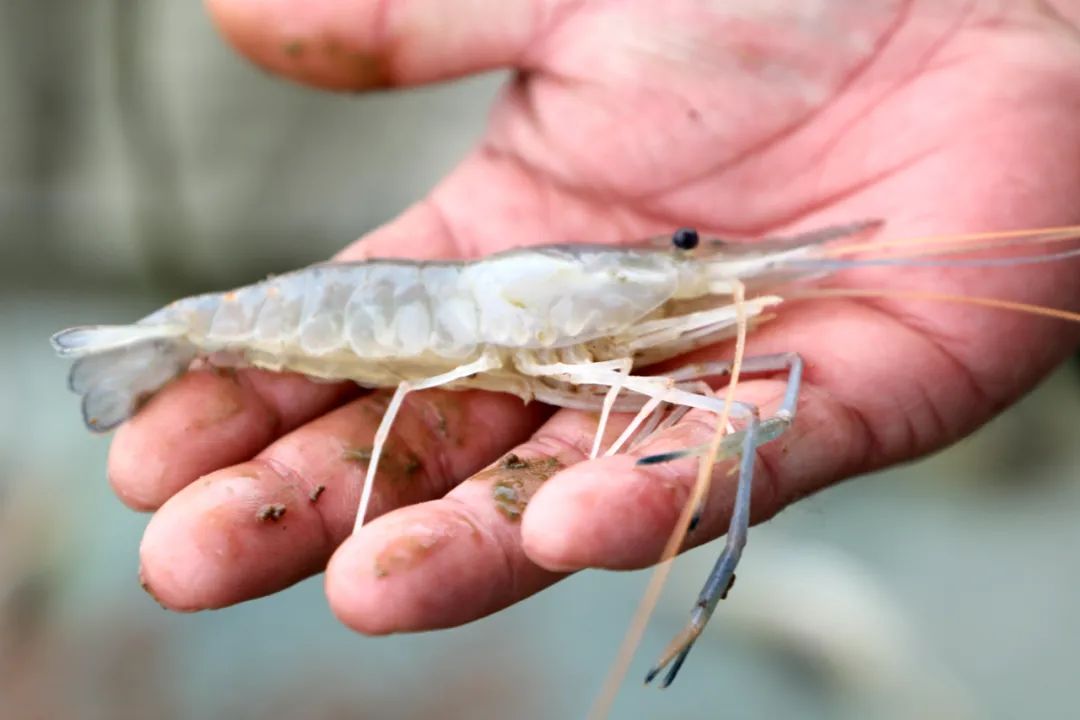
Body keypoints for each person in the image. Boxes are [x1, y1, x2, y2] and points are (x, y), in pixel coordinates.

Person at [117, 1, 1080, 635]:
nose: (688, 265)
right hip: (262, 272)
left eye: (682, 250)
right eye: (683, 248)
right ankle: (169, 336)